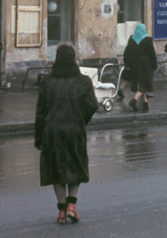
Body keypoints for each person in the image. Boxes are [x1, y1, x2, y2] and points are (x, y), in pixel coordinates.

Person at [34, 42, 98, 225]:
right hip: (74, 129)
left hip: (52, 131)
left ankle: (61, 211)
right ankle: (72, 205)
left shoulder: (47, 81)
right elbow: (92, 105)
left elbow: (40, 111)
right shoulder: (83, 81)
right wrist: (81, 119)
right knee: (75, 166)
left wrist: (39, 137)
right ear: (73, 59)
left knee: (56, 169)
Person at [123, 23, 157, 112]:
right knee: (145, 84)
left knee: (141, 83)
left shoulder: (132, 39)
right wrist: (154, 65)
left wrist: (128, 64)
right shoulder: (148, 40)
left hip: (135, 65)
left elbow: (126, 53)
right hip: (146, 65)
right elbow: (152, 54)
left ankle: (145, 104)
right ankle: (134, 101)